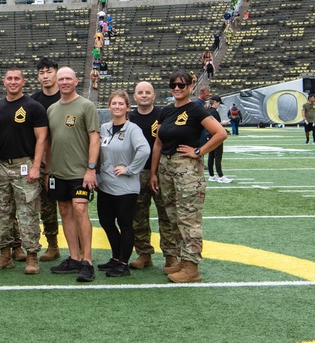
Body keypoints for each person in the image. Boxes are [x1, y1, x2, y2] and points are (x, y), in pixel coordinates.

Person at [149, 70, 227, 283]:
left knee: (189, 218)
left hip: (188, 171)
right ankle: (183, 261)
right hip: (166, 169)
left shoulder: (196, 109)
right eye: (173, 84)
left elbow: (221, 133)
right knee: (173, 217)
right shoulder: (165, 111)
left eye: (181, 85)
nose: (176, 88)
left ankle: (192, 268)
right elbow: (158, 143)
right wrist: (154, 173)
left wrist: (198, 151)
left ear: (191, 87)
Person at [0, 68, 47, 274]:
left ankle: (31, 257)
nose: (13, 82)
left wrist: (36, 166)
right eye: (9, 78)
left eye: (16, 79)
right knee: (1, 213)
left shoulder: (34, 107)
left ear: (23, 81)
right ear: (4, 82)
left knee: (27, 213)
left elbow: (41, 139)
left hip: (25, 165)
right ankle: (5, 255)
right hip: (0, 165)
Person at [44, 66, 100, 282]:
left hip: (80, 172)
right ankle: (74, 258)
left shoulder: (87, 106)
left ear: (76, 81)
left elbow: (94, 138)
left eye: (68, 78)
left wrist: (91, 168)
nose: (64, 82)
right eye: (61, 79)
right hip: (58, 172)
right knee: (65, 212)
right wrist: (48, 170)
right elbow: (50, 143)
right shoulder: (52, 109)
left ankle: (87, 261)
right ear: (57, 82)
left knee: (79, 209)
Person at [96, 91, 151, 278]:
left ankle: (123, 263)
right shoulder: (104, 128)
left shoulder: (132, 129)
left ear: (128, 107)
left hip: (125, 188)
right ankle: (116, 257)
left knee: (125, 224)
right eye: (114, 103)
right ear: (109, 106)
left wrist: (129, 169)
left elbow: (144, 150)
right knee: (106, 221)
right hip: (105, 186)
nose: (117, 107)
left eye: (121, 104)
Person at [128, 81, 179, 272]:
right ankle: (144, 254)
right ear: (134, 97)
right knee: (138, 215)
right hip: (136, 173)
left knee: (166, 214)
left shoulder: (163, 115)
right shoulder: (129, 117)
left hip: (161, 172)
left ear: (154, 96)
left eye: (147, 92)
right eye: (140, 92)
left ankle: (171, 255)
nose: (144, 95)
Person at [30, 56, 63, 261]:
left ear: (57, 73)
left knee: (73, 206)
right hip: (43, 161)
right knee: (47, 206)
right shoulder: (34, 101)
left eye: (49, 71)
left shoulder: (66, 96)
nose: (45, 76)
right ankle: (53, 245)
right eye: (41, 72)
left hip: (67, 158)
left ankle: (78, 248)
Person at [205, 97, 231, 183]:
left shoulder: (208, 111)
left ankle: (211, 175)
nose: (219, 105)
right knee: (218, 155)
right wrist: (223, 123)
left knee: (211, 155)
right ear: (215, 102)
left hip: (209, 135)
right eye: (219, 103)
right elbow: (216, 125)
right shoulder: (214, 112)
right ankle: (220, 176)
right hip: (215, 136)